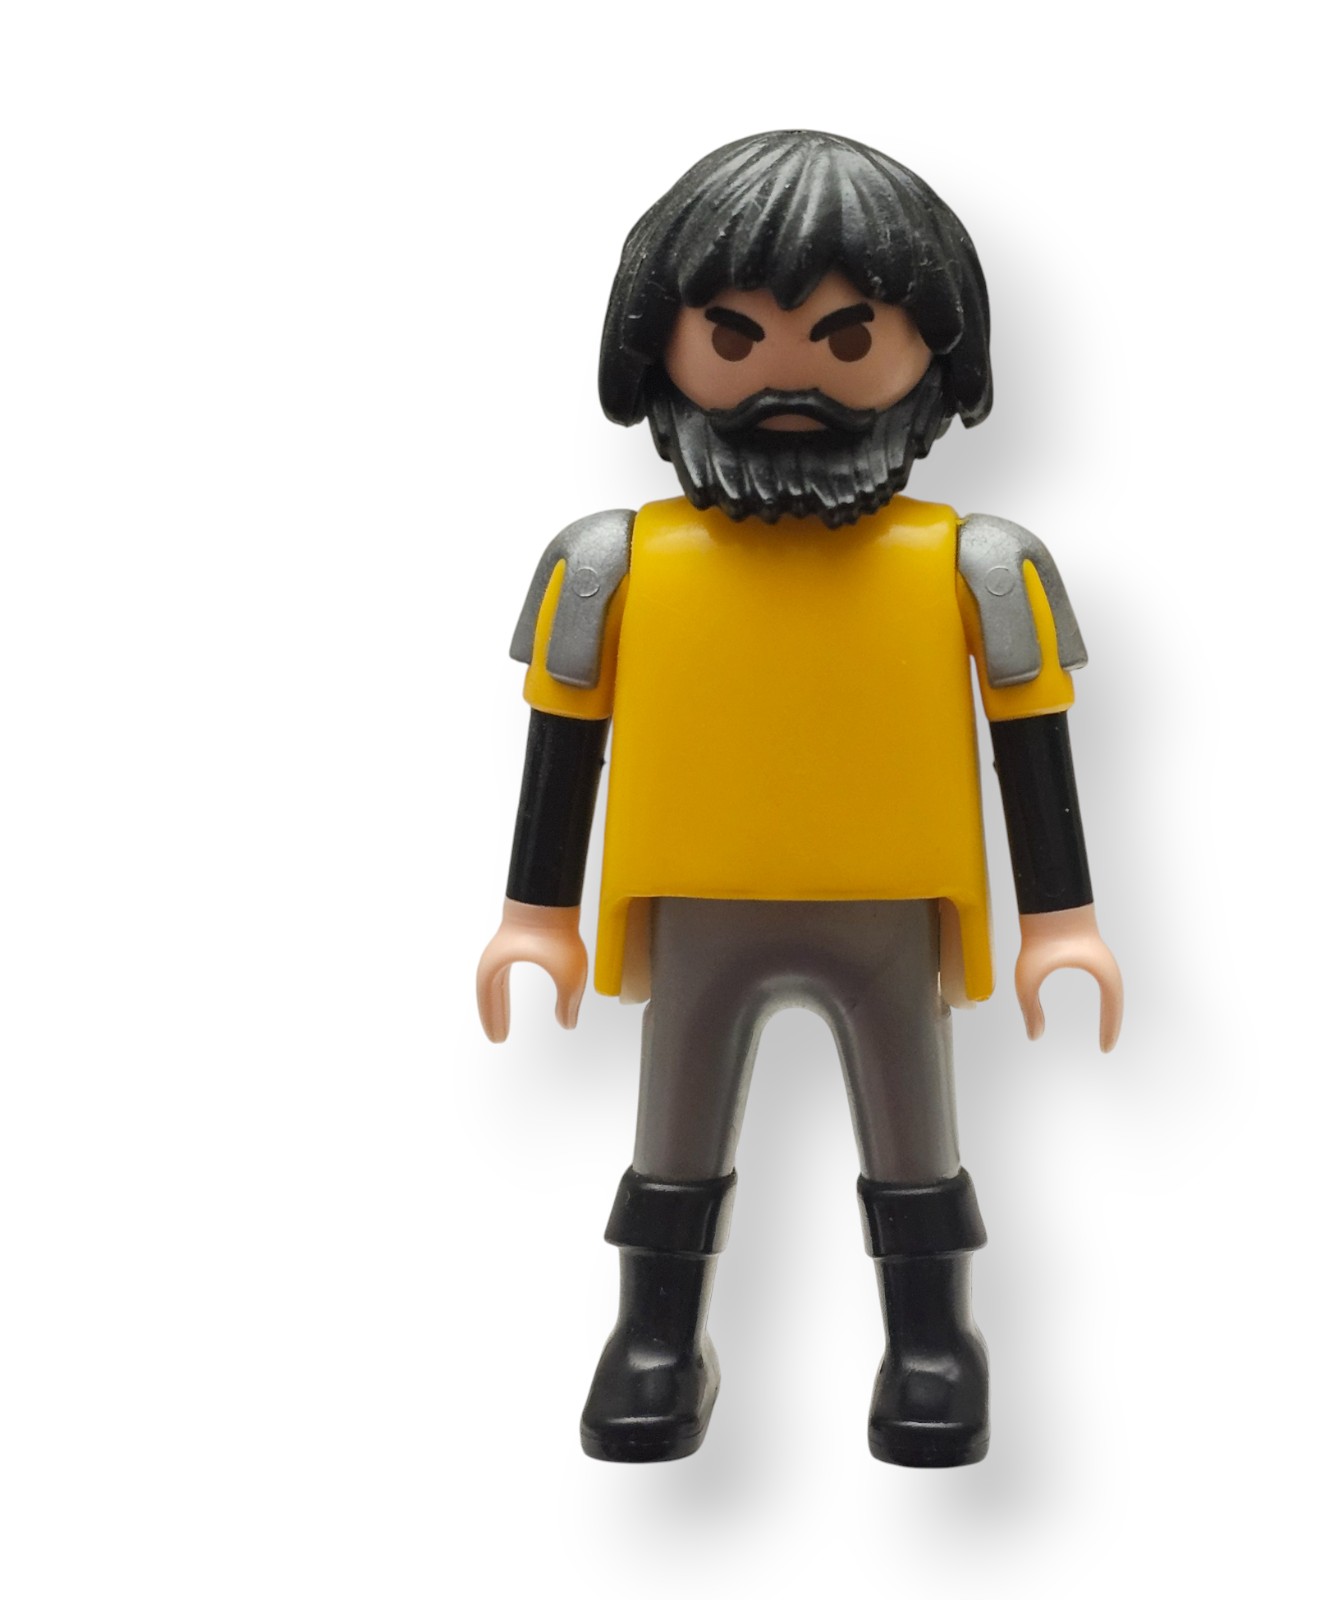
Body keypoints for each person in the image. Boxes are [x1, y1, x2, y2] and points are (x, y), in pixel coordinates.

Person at [476, 130, 1123, 1468]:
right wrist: (535, 915)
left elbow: (1033, 748)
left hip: (889, 905)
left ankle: (932, 1342)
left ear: (932, 356)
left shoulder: (976, 563)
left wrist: (1062, 921)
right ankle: (656, 1338)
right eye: (733, 335)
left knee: (914, 1138)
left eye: (846, 339)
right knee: (673, 1136)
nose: (788, 379)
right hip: (695, 901)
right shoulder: (612, 562)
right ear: (657, 347)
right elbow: (563, 745)